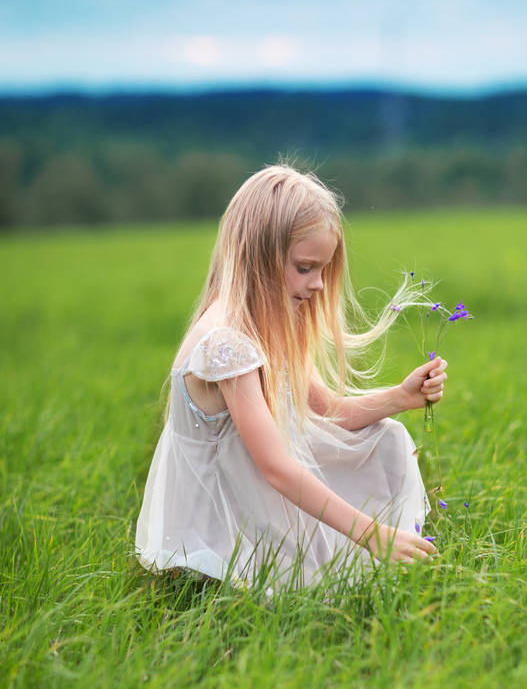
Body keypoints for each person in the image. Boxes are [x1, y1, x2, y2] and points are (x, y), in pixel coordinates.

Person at [135, 164, 447, 594]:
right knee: (319, 582)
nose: (318, 284)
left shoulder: (267, 320)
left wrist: (400, 397)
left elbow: (327, 412)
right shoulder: (226, 340)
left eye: (322, 269)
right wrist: (372, 535)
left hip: (251, 493)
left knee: (387, 438)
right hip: (222, 518)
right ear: (259, 254)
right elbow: (276, 467)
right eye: (304, 267)